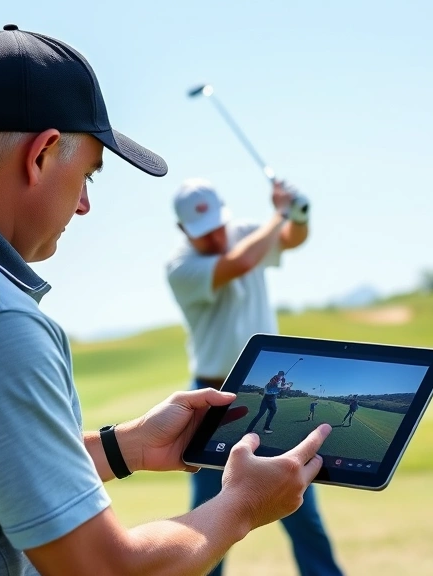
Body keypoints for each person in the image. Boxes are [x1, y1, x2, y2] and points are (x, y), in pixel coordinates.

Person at [0, 25, 331, 576]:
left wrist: (126, 446)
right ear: (43, 153)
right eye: (88, 177)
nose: (83, 205)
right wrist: (240, 508)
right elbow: (100, 569)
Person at [165, 178, 344, 576]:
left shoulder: (249, 232)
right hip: (214, 399)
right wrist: (278, 214)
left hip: (268, 391)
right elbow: (242, 262)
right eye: (201, 232)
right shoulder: (181, 268)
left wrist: (297, 214)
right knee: (211, 515)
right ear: (183, 231)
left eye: (216, 225)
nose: (213, 237)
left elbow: (292, 239)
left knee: (298, 504)